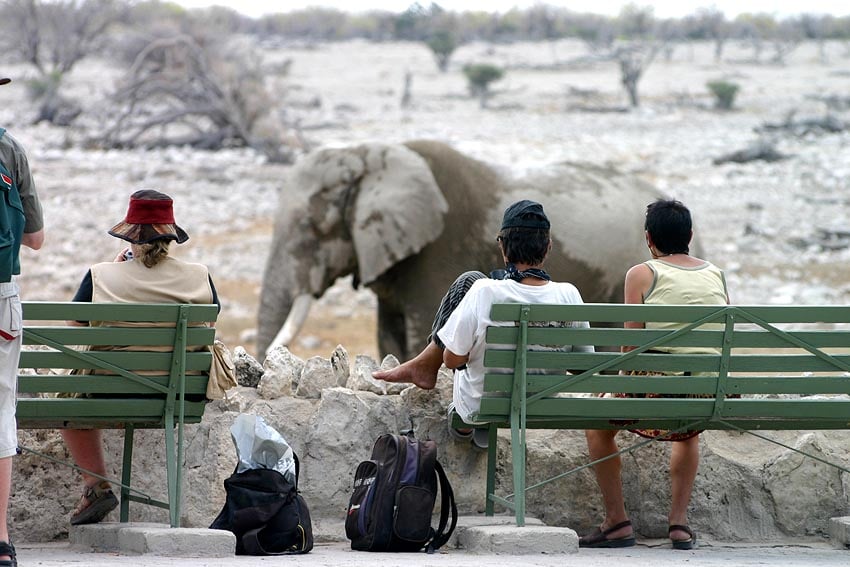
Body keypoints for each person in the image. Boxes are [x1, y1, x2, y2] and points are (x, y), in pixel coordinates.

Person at [374, 199, 592, 448]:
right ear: (549, 247)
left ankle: (466, 421)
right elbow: (581, 366)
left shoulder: (483, 291)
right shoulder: (569, 294)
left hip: (484, 404)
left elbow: (451, 360)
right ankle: (428, 370)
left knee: (469, 284)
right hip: (541, 405)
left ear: (503, 248)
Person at [63, 189, 220, 526]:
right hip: (177, 395)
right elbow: (210, 322)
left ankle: (96, 485)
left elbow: (74, 325)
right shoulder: (199, 276)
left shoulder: (102, 276)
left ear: (131, 235)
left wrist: (118, 271)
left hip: (109, 392)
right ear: (170, 236)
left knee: (68, 397)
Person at [580, 199, 729, 551]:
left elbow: (632, 345)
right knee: (686, 431)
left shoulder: (642, 273)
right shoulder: (716, 274)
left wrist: (613, 387)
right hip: (705, 393)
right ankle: (678, 523)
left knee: (596, 426)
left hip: (656, 389)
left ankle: (616, 521)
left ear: (649, 238)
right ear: (690, 235)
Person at [0, 75, 46, 567]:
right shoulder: (10, 150)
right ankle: (1, 539)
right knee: (1, 410)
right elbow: (34, 239)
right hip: (0, 298)